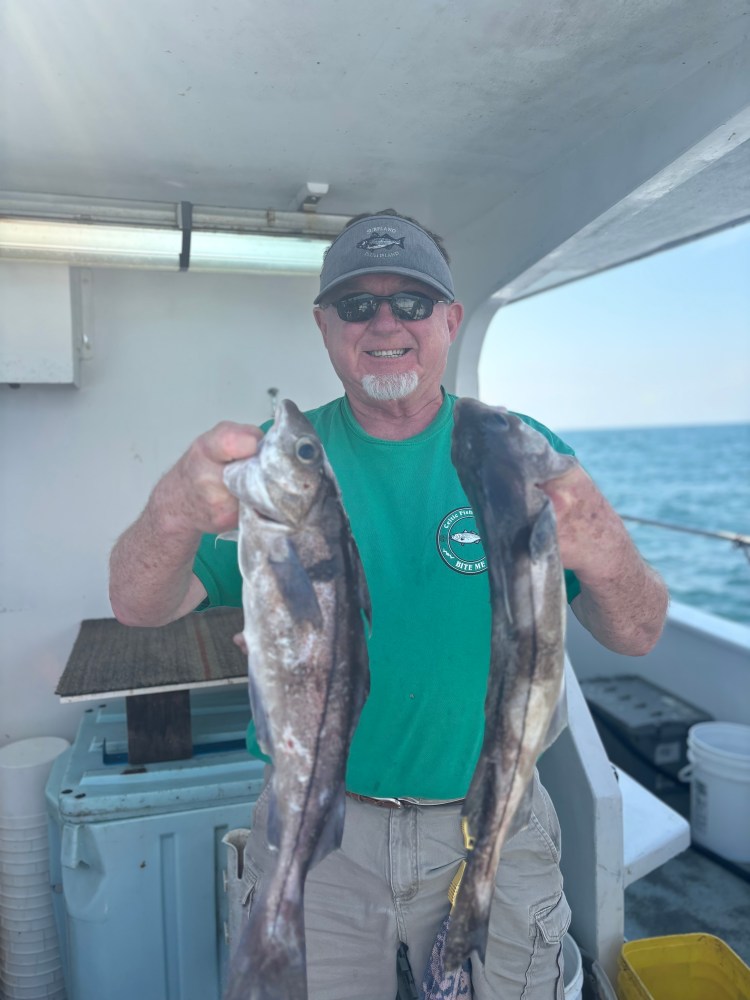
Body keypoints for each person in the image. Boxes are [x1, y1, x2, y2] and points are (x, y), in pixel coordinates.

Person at [109, 210, 669, 999]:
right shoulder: (280, 468)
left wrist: (605, 546)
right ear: (324, 326)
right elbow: (138, 606)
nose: (384, 323)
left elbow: (639, 633)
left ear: (450, 319)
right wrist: (173, 509)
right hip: (323, 825)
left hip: (495, 824)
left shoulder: (515, 451)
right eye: (356, 304)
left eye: (410, 302)